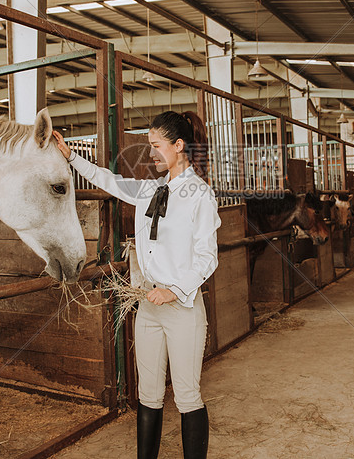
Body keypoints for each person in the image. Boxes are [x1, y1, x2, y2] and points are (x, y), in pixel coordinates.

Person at [52, 110, 220, 459]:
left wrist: (173, 289)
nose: (152, 154)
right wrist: (71, 157)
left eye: (156, 146)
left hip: (181, 308)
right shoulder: (150, 189)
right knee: (149, 393)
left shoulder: (199, 195)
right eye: (149, 146)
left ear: (179, 146)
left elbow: (208, 257)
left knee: (187, 394)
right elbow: (109, 180)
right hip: (146, 303)